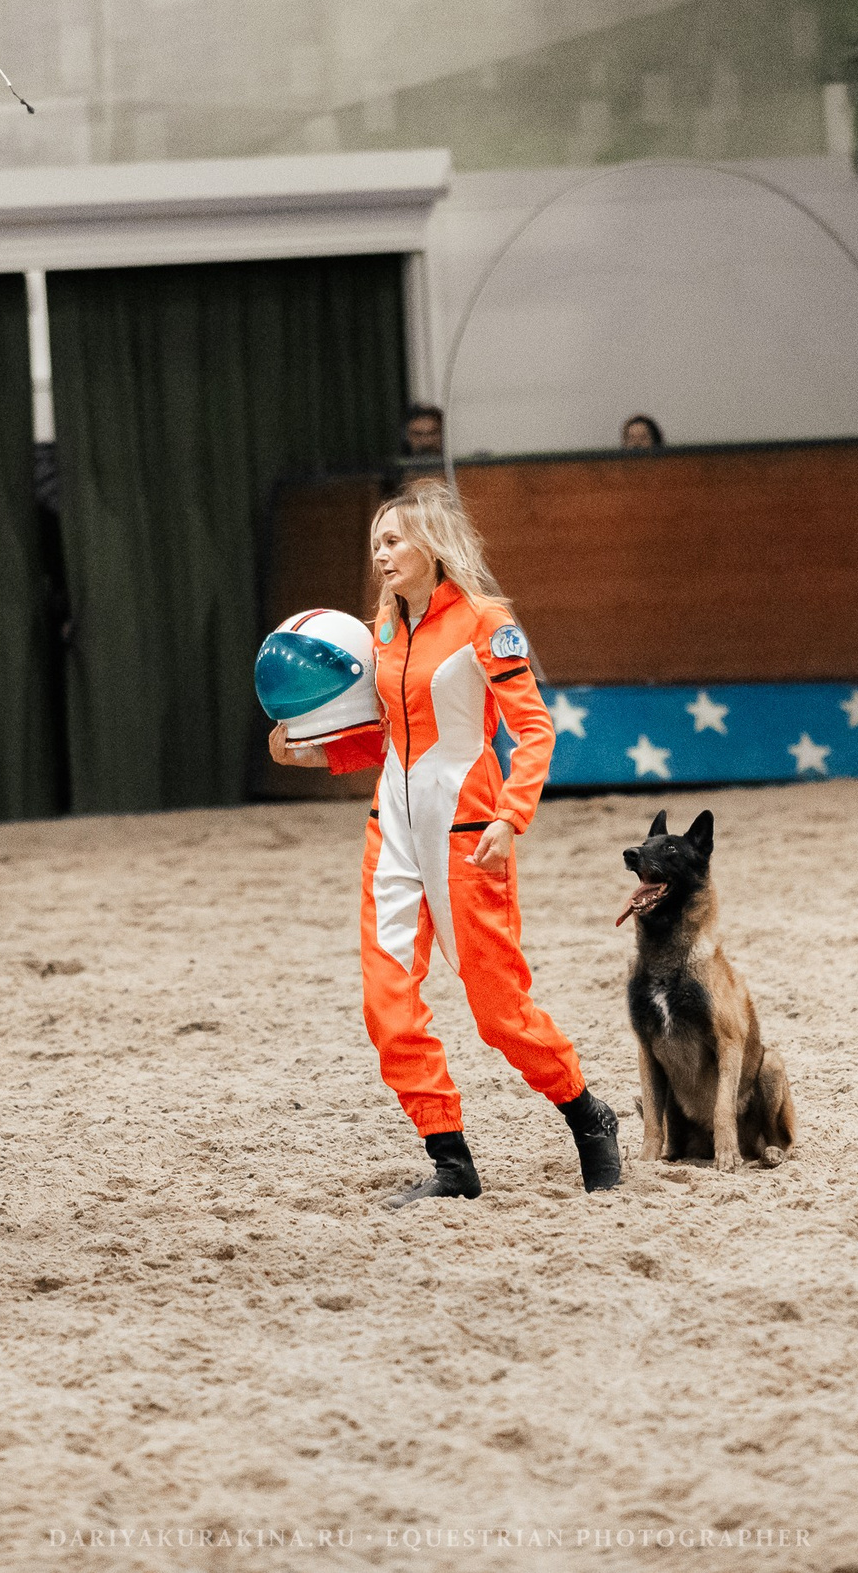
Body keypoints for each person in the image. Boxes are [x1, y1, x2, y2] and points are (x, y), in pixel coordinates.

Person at [266, 479, 621, 1208]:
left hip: (466, 833)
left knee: (498, 1012)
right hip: (391, 833)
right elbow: (394, 734)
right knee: (386, 1004)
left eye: (393, 539)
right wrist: (315, 753)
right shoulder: (384, 629)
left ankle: (589, 1115)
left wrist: (510, 816)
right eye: (376, 543)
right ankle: (451, 1161)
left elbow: (534, 730)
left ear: (434, 543)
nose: (381, 553)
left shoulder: (487, 621)